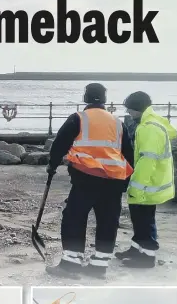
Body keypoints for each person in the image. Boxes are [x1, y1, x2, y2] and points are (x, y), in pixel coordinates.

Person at [45, 83, 134, 279]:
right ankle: (99, 266)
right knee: (108, 222)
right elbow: (129, 153)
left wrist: (52, 166)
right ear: (104, 100)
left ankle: (71, 264)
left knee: (74, 218)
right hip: (113, 181)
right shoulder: (118, 123)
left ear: (86, 98)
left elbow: (60, 143)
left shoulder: (79, 118)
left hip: (86, 178)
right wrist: (125, 182)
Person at [115, 91, 177, 268]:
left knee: (144, 219)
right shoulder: (154, 122)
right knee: (141, 218)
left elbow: (147, 160)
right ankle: (136, 248)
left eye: (129, 110)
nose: (128, 113)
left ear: (137, 109)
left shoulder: (148, 128)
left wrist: (136, 187)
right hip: (152, 182)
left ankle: (147, 257)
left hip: (147, 185)